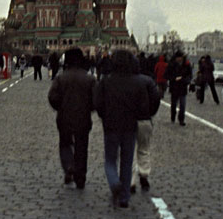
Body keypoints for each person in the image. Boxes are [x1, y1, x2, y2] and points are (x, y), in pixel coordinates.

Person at [94, 50, 149, 209]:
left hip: (110, 126)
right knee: (126, 162)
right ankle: (124, 197)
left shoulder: (106, 82)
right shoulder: (137, 82)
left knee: (110, 160)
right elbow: (144, 106)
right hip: (130, 127)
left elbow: (98, 103)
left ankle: (114, 183)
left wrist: (104, 116)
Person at [48, 48, 95, 190]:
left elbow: (52, 97)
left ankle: (69, 165)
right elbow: (96, 99)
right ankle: (80, 177)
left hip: (64, 117)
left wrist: (60, 107)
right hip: (83, 118)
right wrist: (89, 109)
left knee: (65, 143)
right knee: (82, 147)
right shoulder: (89, 78)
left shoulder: (61, 78)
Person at [130, 56, 160, 193]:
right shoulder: (148, 81)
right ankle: (144, 175)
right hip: (144, 120)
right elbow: (156, 99)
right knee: (144, 148)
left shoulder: (124, 80)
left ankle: (130, 181)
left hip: (128, 121)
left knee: (128, 150)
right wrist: (149, 113)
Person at [165, 51, 192, 126]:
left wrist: (185, 80)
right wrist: (174, 79)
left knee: (182, 104)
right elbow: (166, 75)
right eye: (178, 58)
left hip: (183, 87)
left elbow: (189, 75)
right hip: (174, 87)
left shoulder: (186, 64)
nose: (179, 59)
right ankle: (173, 116)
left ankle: (181, 119)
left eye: (180, 58)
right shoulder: (171, 65)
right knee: (174, 104)